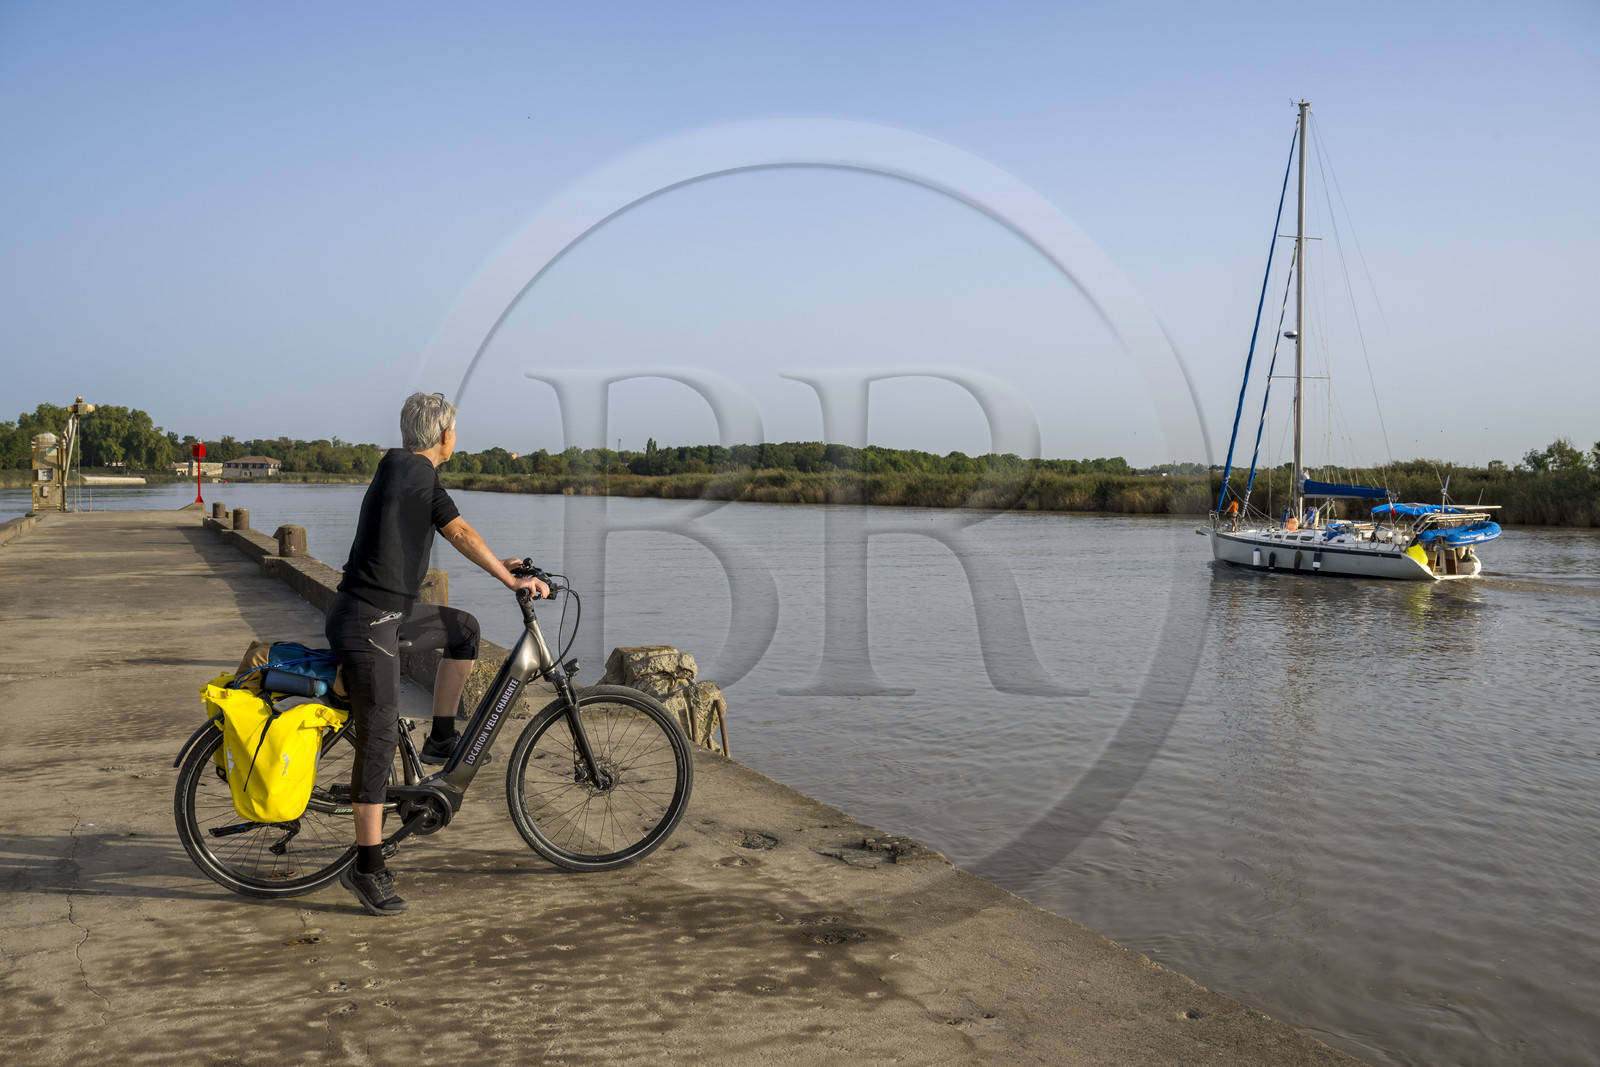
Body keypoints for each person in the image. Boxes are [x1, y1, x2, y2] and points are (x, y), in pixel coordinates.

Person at [325, 392, 547, 916]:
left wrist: (502, 562)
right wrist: (510, 579)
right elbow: (460, 531)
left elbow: (457, 530)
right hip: (367, 623)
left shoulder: (405, 470)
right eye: (456, 430)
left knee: (464, 630)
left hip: (386, 617)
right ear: (444, 433)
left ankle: (441, 738)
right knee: (378, 739)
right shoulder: (414, 472)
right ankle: (367, 868)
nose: (457, 438)